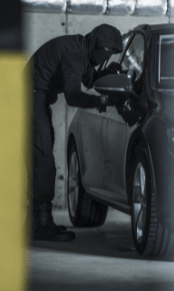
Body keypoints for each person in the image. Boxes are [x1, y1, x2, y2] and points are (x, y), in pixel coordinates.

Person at [28, 24, 123, 242]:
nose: (105, 58)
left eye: (111, 55)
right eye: (106, 53)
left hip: (37, 98)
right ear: (97, 47)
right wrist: (101, 101)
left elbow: (87, 77)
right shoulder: (74, 54)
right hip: (30, 98)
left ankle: (35, 222)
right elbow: (72, 95)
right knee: (44, 162)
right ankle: (41, 224)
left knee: (39, 160)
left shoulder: (83, 49)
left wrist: (106, 74)